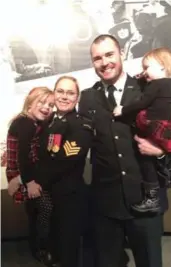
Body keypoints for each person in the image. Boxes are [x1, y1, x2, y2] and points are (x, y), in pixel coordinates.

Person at [79, 34, 171, 267]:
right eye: (97, 58)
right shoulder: (87, 98)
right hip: (106, 205)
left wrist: (159, 153)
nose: (104, 62)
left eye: (109, 54)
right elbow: (79, 139)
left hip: (145, 200)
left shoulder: (147, 87)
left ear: (122, 54)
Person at [113, 47, 171, 212]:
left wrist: (123, 109)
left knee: (146, 160)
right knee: (158, 154)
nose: (144, 72)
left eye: (147, 67)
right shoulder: (168, 83)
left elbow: (142, 102)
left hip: (152, 124)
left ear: (162, 66)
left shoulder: (156, 85)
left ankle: (152, 197)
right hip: (163, 124)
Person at [36, 76, 94, 267]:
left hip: (69, 196)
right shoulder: (48, 121)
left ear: (77, 98)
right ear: (54, 93)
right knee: (53, 249)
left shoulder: (81, 125)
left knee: (68, 250)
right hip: (48, 195)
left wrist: (32, 180)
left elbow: (63, 162)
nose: (64, 96)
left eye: (70, 93)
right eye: (60, 91)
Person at [6, 87, 55, 265]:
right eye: (41, 102)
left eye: (50, 104)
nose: (46, 107)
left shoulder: (29, 122)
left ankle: (38, 247)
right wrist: (27, 182)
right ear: (30, 102)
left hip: (25, 174)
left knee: (35, 212)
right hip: (26, 175)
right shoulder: (26, 123)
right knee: (46, 208)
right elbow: (23, 157)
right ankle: (41, 248)